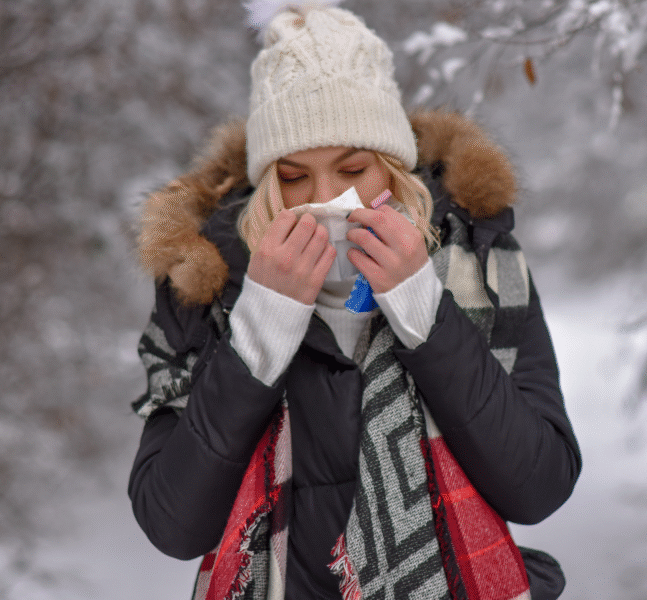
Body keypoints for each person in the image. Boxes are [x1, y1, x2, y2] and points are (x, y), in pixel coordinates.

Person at [128, 4, 581, 599]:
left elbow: (539, 485)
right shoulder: (205, 282)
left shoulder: (480, 259)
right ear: (266, 184)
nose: (328, 199)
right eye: (293, 178)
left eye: (354, 168)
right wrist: (258, 331)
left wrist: (426, 313)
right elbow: (173, 524)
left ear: (394, 168)